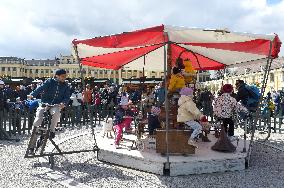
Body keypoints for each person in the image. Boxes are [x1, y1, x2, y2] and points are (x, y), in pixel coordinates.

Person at [27, 69, 70, 155]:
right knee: (37, 121)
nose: (64, 78)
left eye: (65, 76)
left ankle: (52, 130)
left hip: (55, 105)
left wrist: (63, 103)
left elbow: (67, 97)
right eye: (62, 76)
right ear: (57, 76)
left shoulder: (66, 85)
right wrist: (32, 94)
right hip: (44, 103)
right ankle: (31, 146)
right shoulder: (49, 81)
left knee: (57, 112)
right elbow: (40, 88)